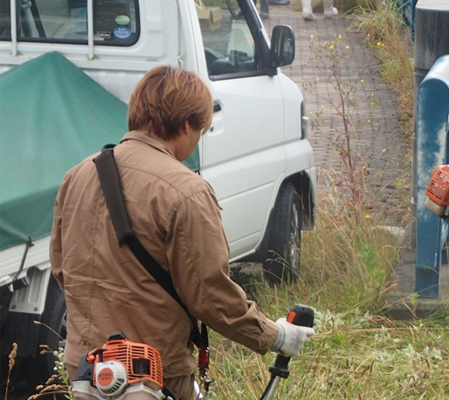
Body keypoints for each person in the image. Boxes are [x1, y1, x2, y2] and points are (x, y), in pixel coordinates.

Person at [50, 66, 315, 399]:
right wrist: (275, 336)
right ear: (188, 124)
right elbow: (210, 295)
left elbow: (63, 268)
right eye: (201, 130)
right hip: (152, 373)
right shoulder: (187, 191)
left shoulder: (77, 176)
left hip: (86, 368)